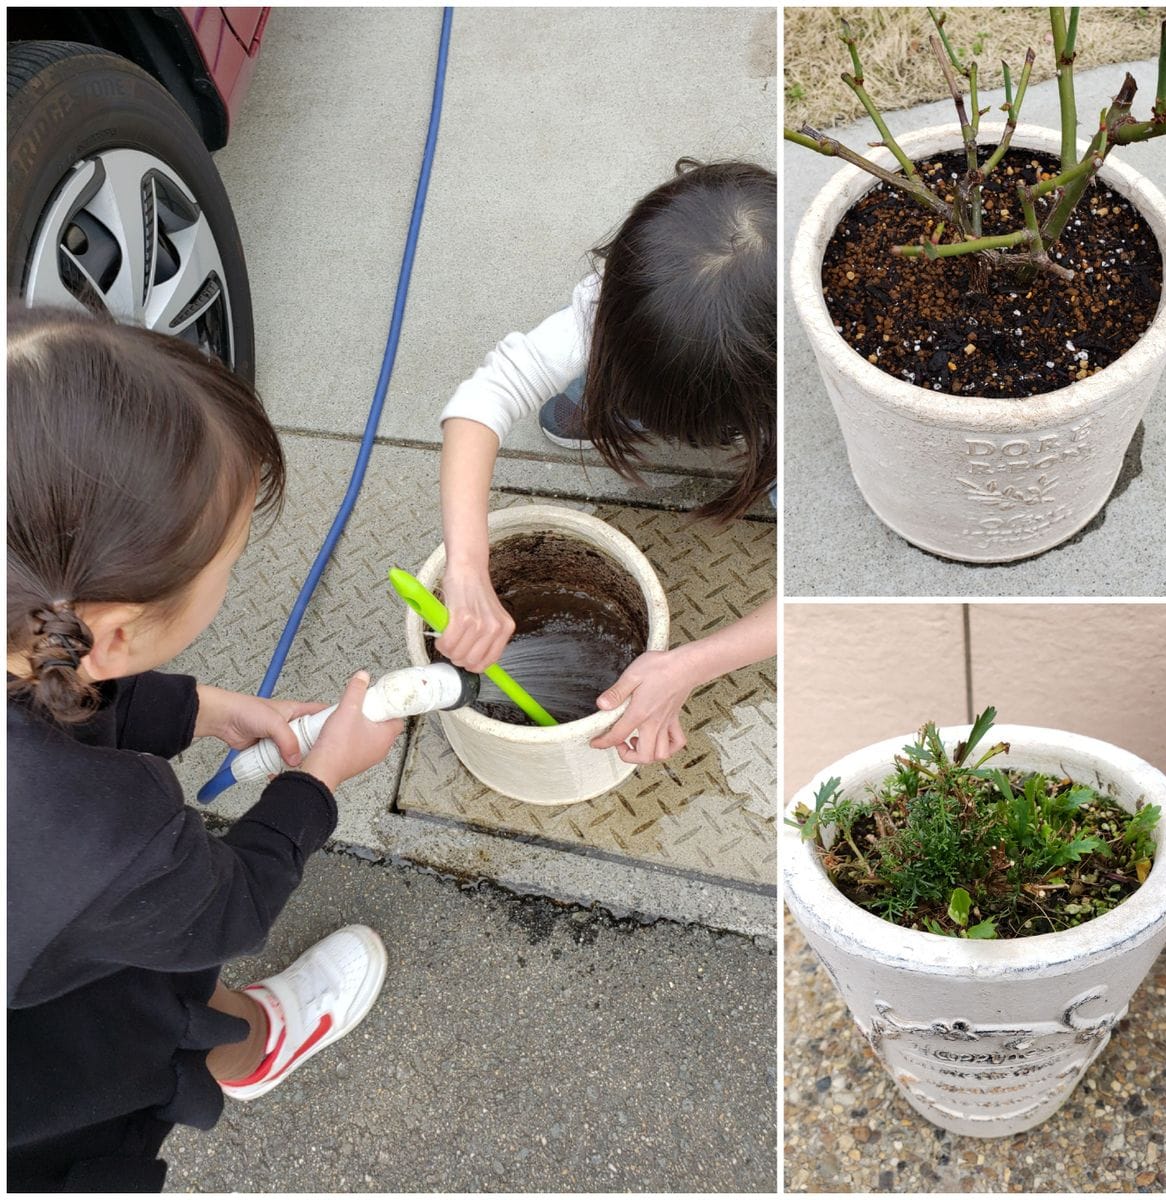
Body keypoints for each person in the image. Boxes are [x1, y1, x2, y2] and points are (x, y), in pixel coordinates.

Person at [7, 306, 404, 1191]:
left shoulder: (25, 624)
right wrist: (320, 780)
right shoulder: (107, 837)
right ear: (111, 634)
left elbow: (56, 688)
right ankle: (254, 1048)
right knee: (135, 1023)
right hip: (37, 1105)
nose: (232, 572)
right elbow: (229, 906)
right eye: (229, 563)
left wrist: (203, 709)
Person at [437, 159, 777, 763]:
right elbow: (483, 398)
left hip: (770, 415)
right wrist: (466, 563)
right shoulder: (620, 299)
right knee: (613, 376)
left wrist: (691, 665)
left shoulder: (801, 397)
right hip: (708, 379)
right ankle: (622, 391)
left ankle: (741, 446)